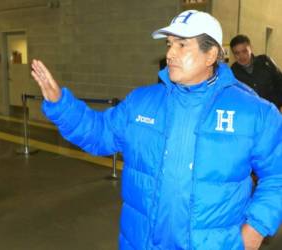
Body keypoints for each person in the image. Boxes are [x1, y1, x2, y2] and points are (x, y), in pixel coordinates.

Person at [31, 10, 282, 250]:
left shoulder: (255, 112)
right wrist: (60, 105)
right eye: (169, 44)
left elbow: (277, 176)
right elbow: (100, 133)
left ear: (211, 54)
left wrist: (256, 229)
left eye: (182, 45)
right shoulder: (142, 102)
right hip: (142, 241)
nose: (170, 53)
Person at [230, 34, 282, 112]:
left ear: (251, 48)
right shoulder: (233, 72)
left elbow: (280, 82)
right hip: (250, 114)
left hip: (272, 111)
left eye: (244, 51)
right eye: (237, 53)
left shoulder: (265, 62)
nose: (241, 56)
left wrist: (277, 104)